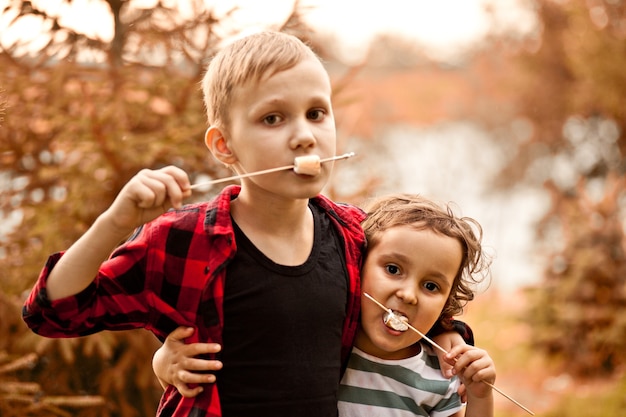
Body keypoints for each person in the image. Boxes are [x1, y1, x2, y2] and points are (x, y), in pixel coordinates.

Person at [22, 31, 470, 417]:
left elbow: (407, 304)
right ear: (224, 146)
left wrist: (449, 335)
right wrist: (114, 222)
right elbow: (55, 311)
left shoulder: (352, 234)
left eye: (316, 113)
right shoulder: (184, 238)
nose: (303, 135)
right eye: (272, 119)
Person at [153, 194, 495, 417]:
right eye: (392, 270)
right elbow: (233, 375)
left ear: (448, 302)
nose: (408, 294)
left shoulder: (438, 376)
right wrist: (163, 364)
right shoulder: (319, 344)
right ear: (356, 264)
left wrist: (480, 396)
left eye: (431, 286)